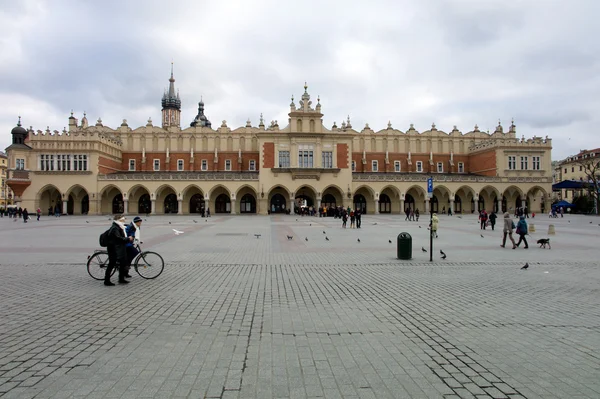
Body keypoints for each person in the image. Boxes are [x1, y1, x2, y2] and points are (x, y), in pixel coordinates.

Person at [105, 215, 134, 286]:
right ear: (118, 220)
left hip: (120, 248)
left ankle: (121, 279)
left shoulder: (120, 226)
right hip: (114, 249)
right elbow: (118, 238)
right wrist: (128, 239)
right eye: (122, 220)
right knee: (111, 264)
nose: (124, 221)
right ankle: (106, 280)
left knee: (122, 263)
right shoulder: (114, 228)